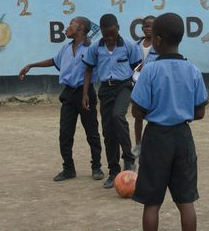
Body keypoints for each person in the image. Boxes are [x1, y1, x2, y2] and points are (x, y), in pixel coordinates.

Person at [129, 12, 208, 231]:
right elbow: (199, 113)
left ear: (158, 41)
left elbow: (137, 110)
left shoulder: (150, 71)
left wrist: (155, 107)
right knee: (186, 201)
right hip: (182, 138)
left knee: (151, 203)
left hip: (157, 138)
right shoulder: (193, 70)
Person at [19, 17, 104, 182]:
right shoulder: (66, 48)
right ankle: (68, 168)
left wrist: (85, 94)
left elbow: (90, 69)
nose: (66, 28)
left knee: (92, 132)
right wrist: (31, 65)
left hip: (85, 93)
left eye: (70, 25)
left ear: (80, 28)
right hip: (68, 94)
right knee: (65, 133)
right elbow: (54, 61)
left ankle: (96, 166)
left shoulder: (90, 48)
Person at [82, 13, 141, 188]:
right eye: (106, 33)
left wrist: (138, 90)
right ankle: (114, 171)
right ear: (101, 31)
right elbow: (88, 70)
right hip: (105, 89)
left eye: (112, 33)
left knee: (117, 116)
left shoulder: (129, 46)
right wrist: (85, 93)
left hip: (124, 86)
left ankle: (129, 160)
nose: (109, 37)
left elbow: (138, 68)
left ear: (118, 29)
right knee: (108, 131)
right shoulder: (95, 48)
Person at [132, 16, 157, 157]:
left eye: (152, 26)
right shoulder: (136, 45)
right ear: (142, 29)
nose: (149, 29)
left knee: (154, 115)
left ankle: (152, 143)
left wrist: (146, 66)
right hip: (138, 84)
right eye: (146, 26)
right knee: (138, 115)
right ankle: (138, 143)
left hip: (153, 84)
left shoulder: (160, 45)